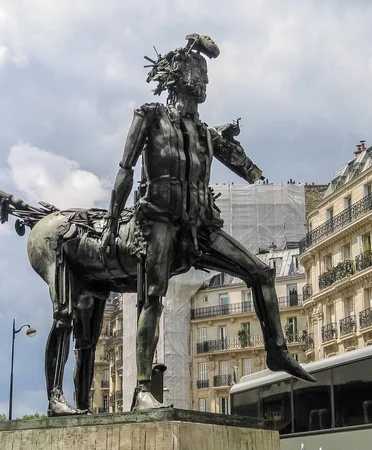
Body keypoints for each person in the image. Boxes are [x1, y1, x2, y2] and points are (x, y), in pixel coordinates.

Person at [101, 33, 313, 410]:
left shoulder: (205, 133)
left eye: (205, 76)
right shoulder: (150, 117)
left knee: (261, 272)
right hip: (161, 220)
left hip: (200, 226)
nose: (203, 82)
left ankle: (277, 353)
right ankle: (142, 389)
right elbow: (125, 170)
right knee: (151, 297)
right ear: (176, 77)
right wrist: (112, 222)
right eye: (196, 73)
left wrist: (252, 170)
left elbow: (242, 163)